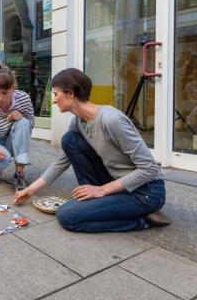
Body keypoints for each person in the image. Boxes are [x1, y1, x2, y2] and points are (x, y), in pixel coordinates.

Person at [14, 68, 169, 233]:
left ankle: (142, 220)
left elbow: (150, 169)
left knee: (67, 216)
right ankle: (100, 203)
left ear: (70, 94)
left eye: (56, 94)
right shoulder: (78, 122)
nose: (53, 100)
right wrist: (30, 190)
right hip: (116, 182)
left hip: (146, 192)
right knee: (69, 140)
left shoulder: (111, 120)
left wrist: (101, 190)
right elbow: (62, 162)